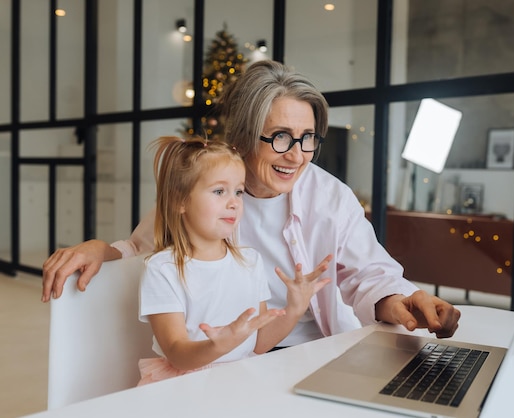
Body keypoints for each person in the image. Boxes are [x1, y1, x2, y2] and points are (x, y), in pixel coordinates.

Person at [42, 59, 460, 344]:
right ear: (243, 136)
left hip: (314, 350)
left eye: (307, 139)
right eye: (280, 137)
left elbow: (369, 275)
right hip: (232, 354)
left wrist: (403, 303)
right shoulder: (209, 185)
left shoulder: (330, 197)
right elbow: (143, 249)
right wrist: (100, 249)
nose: (296, 155)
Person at [137, 136, 331, 385]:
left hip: (239, 378)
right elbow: (177, 354)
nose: (233, 202)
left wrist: (295, 308)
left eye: (238, 191)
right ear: (180, 200)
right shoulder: (162, 269)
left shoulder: (250, 261)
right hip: (184, 386)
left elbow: (259, 344)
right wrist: (217, 346)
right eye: (219, 191)